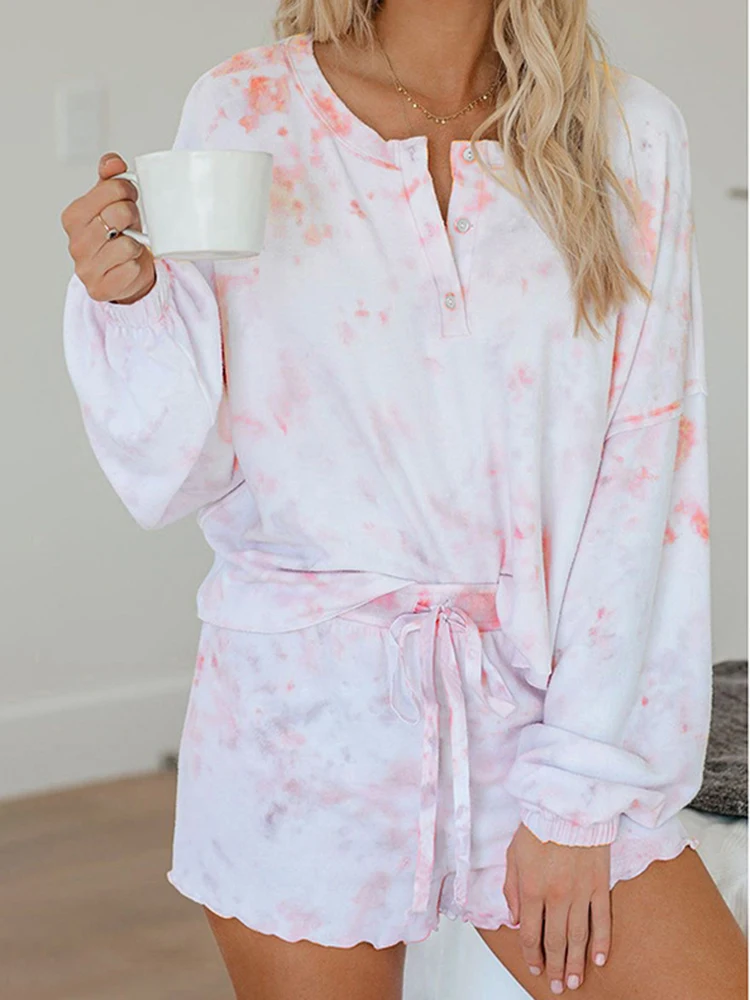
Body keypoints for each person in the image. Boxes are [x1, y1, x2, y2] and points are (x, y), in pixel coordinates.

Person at [59, 1, 747, 998]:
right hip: (303, 714)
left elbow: (644, 481)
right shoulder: (247, 107)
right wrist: (130, 305)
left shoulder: (630, 134)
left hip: (538, 702)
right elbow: (182, 468)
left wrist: (579, 793)